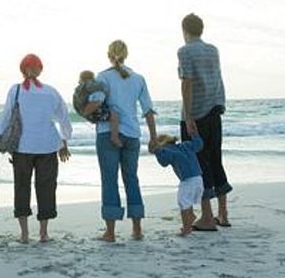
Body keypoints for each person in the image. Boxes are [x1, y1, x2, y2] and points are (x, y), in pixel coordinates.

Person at [0, 54, 72, 244]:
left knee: (22, 188)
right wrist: (64, 141)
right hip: (47, 147)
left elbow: (6, 116)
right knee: (46, 188)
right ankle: (43, 233)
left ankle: (25, 234)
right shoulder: (51, 92)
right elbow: (64, 118)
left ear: (22, 70)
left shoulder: (16, 90)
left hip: (22, 148)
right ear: (40, 69)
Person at [95, 40, 157, 242]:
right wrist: (154, 137)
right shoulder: (138, 78)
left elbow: (95, 104)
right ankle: (137, 228)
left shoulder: (103, 77)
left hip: (108, 134)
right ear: (126, 54)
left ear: (108, 54)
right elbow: (148, 110)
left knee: (109, 179)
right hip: (132, 134)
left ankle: (110, 232)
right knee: (131, 178)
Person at [178, 13, 232, 231]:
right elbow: (217, 79)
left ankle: (207, 216)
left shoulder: (185, 51)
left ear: (185, 30)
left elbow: (187, 83)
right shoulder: (213, 50)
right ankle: (223, 213)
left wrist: (188, 116)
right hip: (215, 109)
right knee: (215, 159)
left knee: (199, 165)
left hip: (197, 113)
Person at [149, 133, 204, 236]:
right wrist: (195, 134)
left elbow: (163, 163)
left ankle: (187, 229)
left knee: (183, 202)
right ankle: (191, 216)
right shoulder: (185, 145)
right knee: (188, 201)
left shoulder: (167, 150)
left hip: (188, 180)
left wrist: (157, 151)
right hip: (199, 177)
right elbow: (199, 145)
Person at [73, 70, 122, 147]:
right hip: (94, 110)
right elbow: (98, 99)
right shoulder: (94, 86)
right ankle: (114, 137)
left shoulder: (79, 89)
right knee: (115, 117)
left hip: (84, 110)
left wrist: (84, 112)